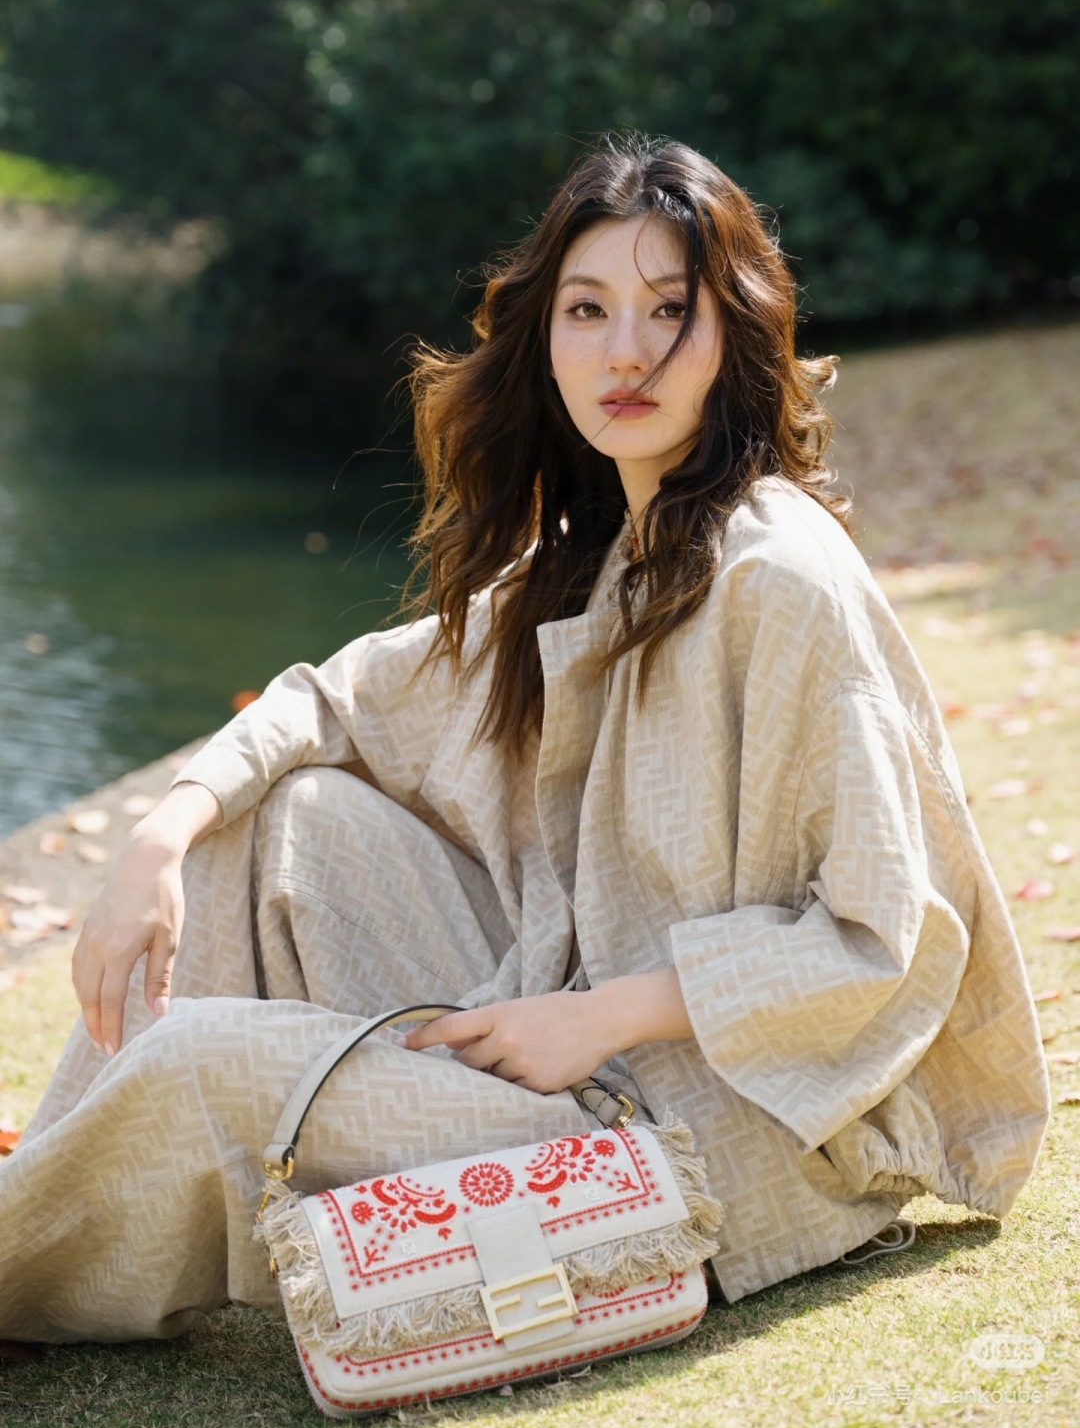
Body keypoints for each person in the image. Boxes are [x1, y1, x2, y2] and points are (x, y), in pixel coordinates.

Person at [0, 132, 1050, 1346]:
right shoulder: (604, 559)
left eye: (670, 310)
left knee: (207, 1068)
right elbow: (337, 700)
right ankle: (35, 1206)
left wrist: (602, 1018)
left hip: (717, 1143)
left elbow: (887, 936)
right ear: (543, 338)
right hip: (567, 1050)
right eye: (587, 309)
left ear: (735, 333)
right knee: (277, 822)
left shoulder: (780, 575)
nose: (625, 351)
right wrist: (158, 835)